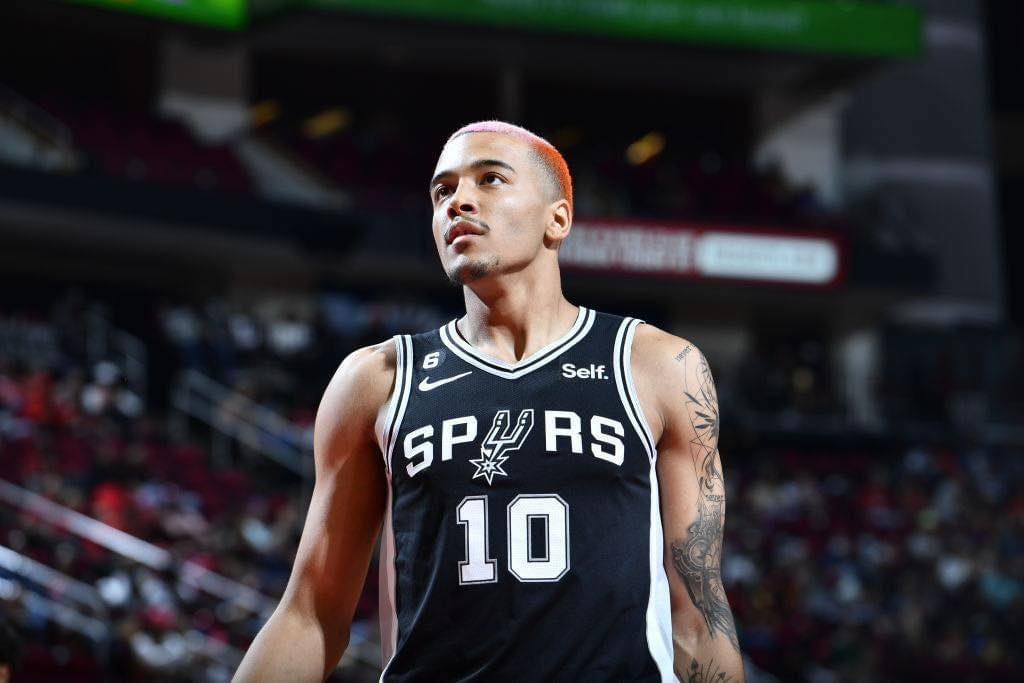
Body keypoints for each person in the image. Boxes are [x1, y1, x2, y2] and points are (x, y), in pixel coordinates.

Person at [234, 121, 744, 682]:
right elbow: (310, 614)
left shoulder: (657, 365)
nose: (458, 201)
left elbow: (699, 615)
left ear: (558, 219)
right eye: (442, 190)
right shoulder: (377, 378)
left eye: (490, 179)